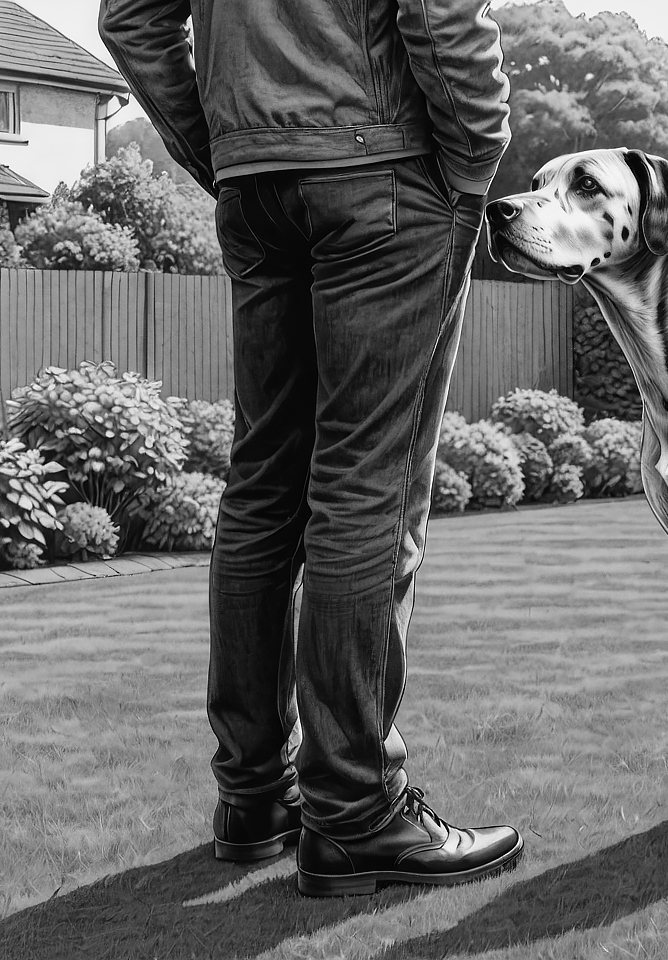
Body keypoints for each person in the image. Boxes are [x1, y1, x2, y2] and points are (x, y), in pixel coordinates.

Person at [99, 0, 522, 897]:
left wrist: (227, 153)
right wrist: (475, 154)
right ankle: (355, 812)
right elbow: (438, 9)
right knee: (368, 486)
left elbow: (131, 17)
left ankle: (254, 797)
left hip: (256, 183)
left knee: (262, 484)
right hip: (384, 173)